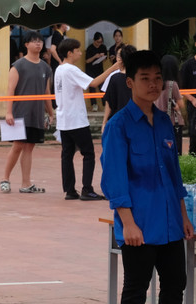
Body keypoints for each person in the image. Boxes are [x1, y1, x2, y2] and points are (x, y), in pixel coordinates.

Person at [100, 49, 196, 304]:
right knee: (136, 284)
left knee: (175, 280)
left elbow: (173, 173)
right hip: (139, 222)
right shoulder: (119, 126)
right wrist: (128, 223)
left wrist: (184, 216)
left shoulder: (164, 121)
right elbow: (115, 180)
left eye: (157, 78)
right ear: (130, 82)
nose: (153, 84)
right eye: (145, 79)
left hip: (169, 221)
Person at [54, 38, 117, 200]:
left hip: (64, 119)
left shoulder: (59, 70)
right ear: (70, 53)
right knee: (88, 153)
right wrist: (113, 68)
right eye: (78, 51)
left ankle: (70, 190)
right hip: (76, 119)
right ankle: (87, 189)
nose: (80, 53)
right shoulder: (70, 69)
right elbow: (94, 82)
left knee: (67, 155)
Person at [0, 31, 54, 195]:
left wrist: (51, 113)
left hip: (36, 114)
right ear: (26, 44)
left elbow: (46, 93)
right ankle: (5, 179)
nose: (38, 43)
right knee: (17, 146)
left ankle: (26, 183)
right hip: (19, 113)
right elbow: (10, 90)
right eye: (34, 41)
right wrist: (8, 112)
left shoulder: (45, 67)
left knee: (29, 147)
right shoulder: (18, 65)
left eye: (40, 41)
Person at [101, 44, 137, 130]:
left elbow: (109, 103)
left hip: (118, 121)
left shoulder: (114, 78)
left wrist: (104, 122)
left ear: (122, 59)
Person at [156, 54, 184, 155]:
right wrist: (176, 105)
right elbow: (180, 104)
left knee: (161, 150)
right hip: (173, 122)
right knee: (175, 152)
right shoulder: (173, 84)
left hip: (158, 121)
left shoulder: (156, 83)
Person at [85, 32, 108, 110]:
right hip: (90, 70)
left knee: (102, 87)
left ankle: (105, 104)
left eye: (100, 42)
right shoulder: (90, 48)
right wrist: (95, 56)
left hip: (99, 69)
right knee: (92, 87)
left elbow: (105, 59)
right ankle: (94, 105)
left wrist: (103, 57)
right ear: (94, 40)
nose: (99, 44)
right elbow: (87, 61)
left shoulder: (103, 47)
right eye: (98, 42)